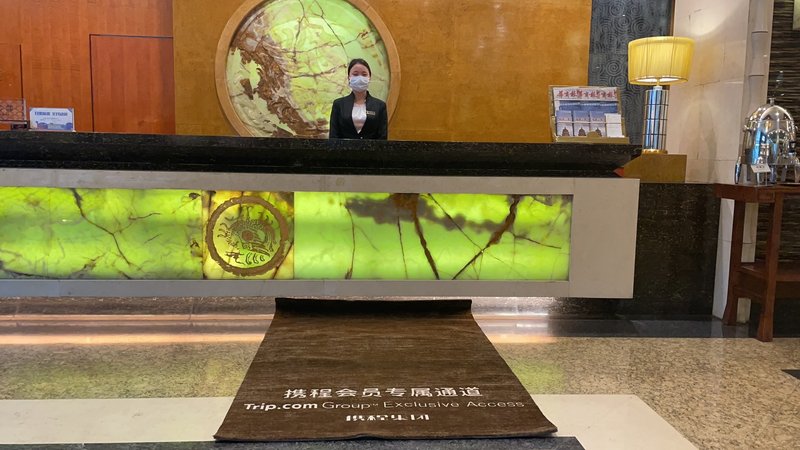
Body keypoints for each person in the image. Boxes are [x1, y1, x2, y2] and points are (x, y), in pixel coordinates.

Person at [328, 58, 388, 140]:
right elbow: (333, 136)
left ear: (369, 77)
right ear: (349, 77)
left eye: (364, 74)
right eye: (355, 74)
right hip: (344, 148)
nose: (360, 78)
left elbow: (382, 138)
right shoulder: (339, 104)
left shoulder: (380, 106)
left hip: (371, 148)